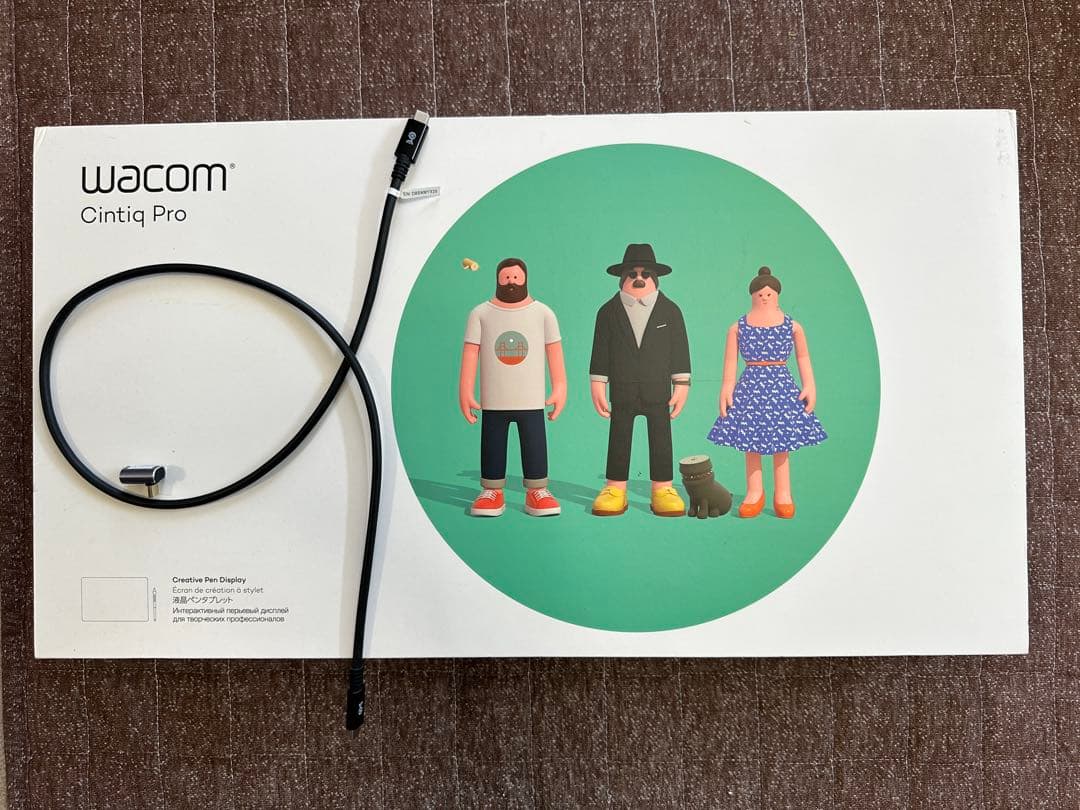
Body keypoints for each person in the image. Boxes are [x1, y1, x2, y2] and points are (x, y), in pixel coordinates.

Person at [707, 266, 826, 518]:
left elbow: (803, 357)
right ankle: (754, 492)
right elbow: (730, 361)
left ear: (777, 295)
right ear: (752, 295)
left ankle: (783, 493)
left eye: (769, 293)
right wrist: (726, 387)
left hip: (781, 386)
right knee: (751, 441)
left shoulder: (792, 326)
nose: (764, 297)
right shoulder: (738, 327)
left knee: (782, 442)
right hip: (750, 387)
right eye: (760, 293)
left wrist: (810, 384)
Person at [589, 243, 690, 517]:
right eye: (632, 273)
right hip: (622, 388)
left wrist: (681, 384)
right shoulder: (607, 312)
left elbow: (680, 350)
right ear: (622, 278)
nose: (639, 278)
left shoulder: (671, 311)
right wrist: (597, 382)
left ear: (655, 278)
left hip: (658, 389)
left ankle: (663, 488)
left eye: (645, 273)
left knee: (661, 436)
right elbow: (600, 350)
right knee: (619, 436)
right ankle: (615, 488)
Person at [459, 258, 566, 517]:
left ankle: (537, 490)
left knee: (535, 443)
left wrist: (560, 386)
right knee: (492, 443)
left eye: (516, 278)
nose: (511, 283)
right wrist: (465, 390)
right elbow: (471, 353)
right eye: (506, 278)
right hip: (494, 398)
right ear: (497, 279)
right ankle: (492, 490)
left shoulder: (543, 313)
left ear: (525, 279)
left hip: (532, 398)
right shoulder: (480, 314)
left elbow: (554, 351)